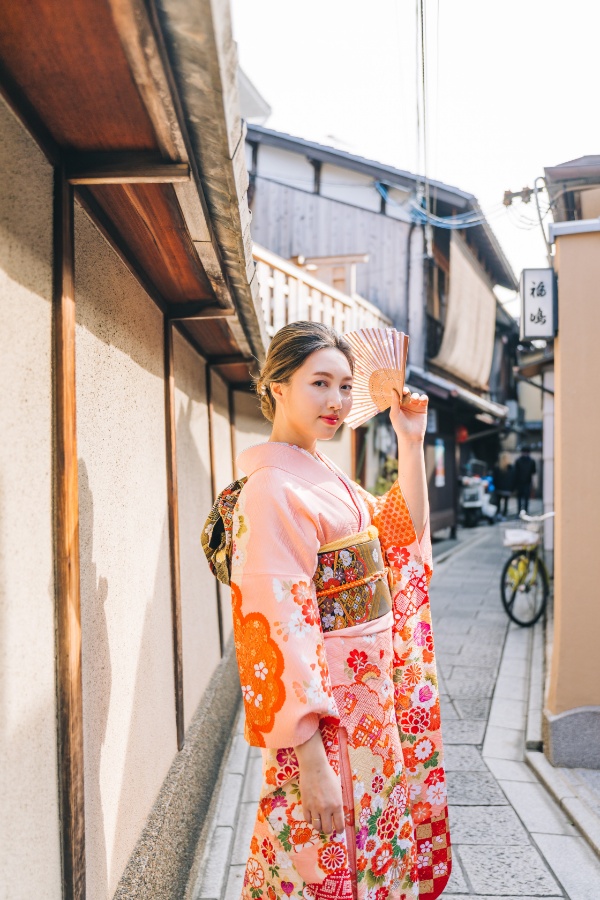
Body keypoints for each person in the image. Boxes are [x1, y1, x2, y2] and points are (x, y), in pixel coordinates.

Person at [206, 322, 450, 900]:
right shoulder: (272, 490)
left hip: (369, 704)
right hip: (325, 718)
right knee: (320, 860)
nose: (338, 402)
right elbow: (275, 629)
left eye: (345, 386)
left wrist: (409, 441)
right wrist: (309, 756)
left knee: (368, 845)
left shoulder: (325, 477)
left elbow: (396, 537)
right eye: (320, 383)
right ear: (277, 387)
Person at [514, 446, 537, 514]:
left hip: (520, 482)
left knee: (520, 497)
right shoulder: (531, 461)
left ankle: (519, 511)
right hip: (527, 481)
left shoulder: (518, 460)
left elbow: (515, 472)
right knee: (525, 498)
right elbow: (534, 472)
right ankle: (525, 511)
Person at [492, 452, 514, 519]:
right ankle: (504, 514)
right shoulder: (511, 468)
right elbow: (513, 478)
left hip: (499, 488)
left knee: (498, 502)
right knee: (505, 502)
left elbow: (494, 478)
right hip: (507, 488)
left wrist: (495, 485)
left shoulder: (497, 467)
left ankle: (498, 513)